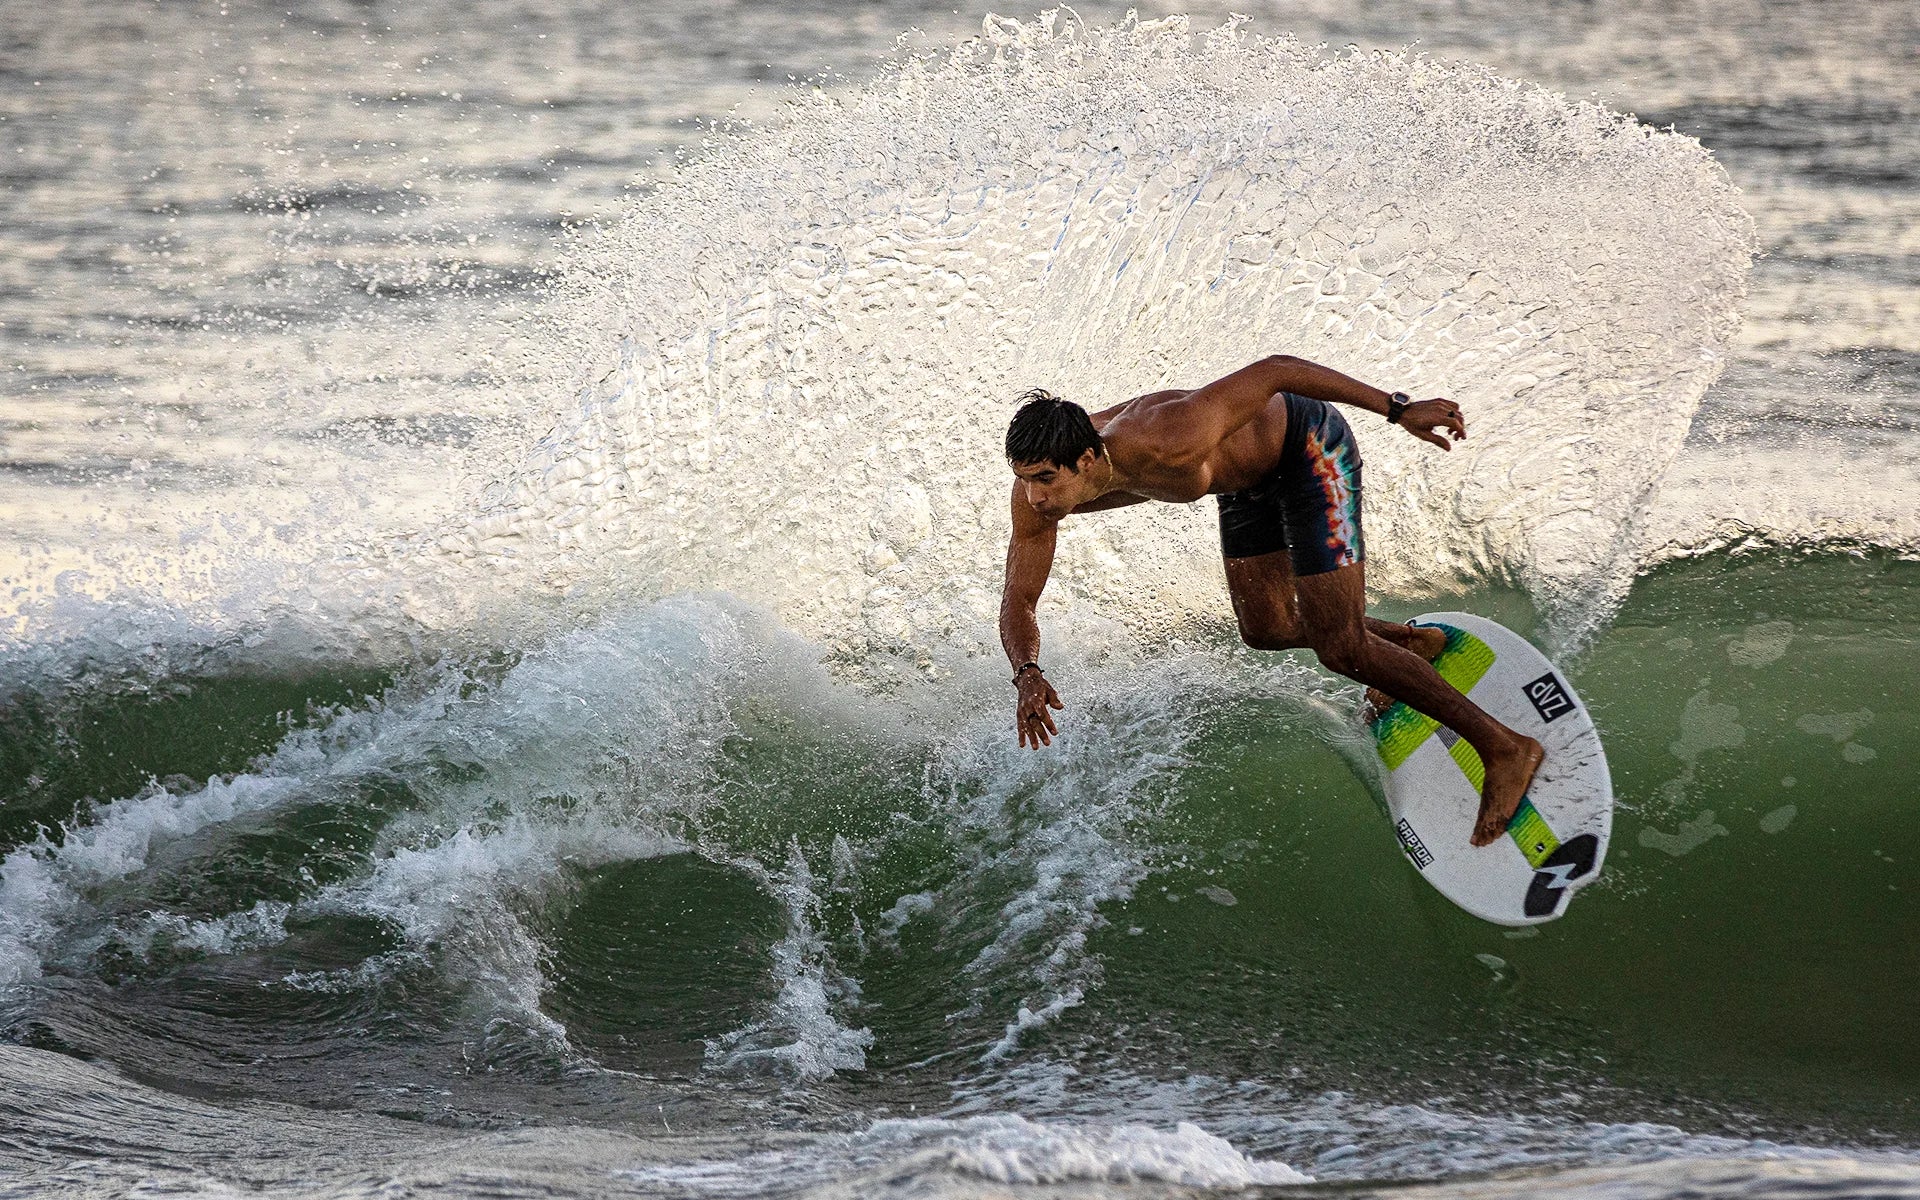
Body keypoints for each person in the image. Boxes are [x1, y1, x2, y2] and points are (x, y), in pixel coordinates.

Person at [997, 355, 1543, 847]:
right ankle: (1410, 644)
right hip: (1245, 483)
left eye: (1045, 479)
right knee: (1267, 628)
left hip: (1309, 451)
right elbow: (1019, 600)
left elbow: (1276, 370)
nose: (1035, 496)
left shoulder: (1167, 434)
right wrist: (1026, 671)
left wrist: (1399, 410)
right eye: (1025, 480)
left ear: (1089, 459)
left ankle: (1504, 748)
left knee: (1341, 649)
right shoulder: (1036, 502)